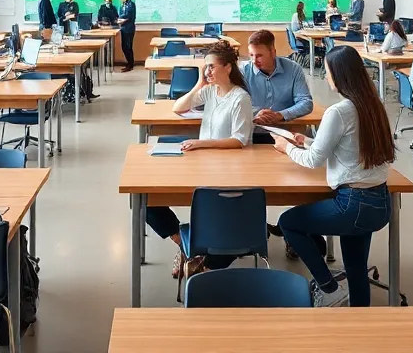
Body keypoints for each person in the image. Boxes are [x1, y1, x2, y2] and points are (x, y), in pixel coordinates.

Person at [273, 45, 395, 307]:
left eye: (328, 71)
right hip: (380, 202)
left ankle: (328, 287)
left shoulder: (338, 112)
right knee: (355, 266)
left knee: (288, 223)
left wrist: (287, 148)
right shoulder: (373, 105)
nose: (326, 76)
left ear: (339, 75)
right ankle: (359, 314)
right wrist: (307, 141)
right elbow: (348, 146)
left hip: (353, 204)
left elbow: (313, 161)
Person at [145, 42, 253, 278]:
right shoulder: (210, 91)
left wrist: (202, 143)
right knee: (147, 201)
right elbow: (178, 108)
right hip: (203, 164)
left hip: (229, 170)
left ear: (228, 67)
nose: (208, 71)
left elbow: (239, 140)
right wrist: (199, 84)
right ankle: (184, 246)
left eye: (212, 67)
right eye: (206, 67)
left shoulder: (240, 98)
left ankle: (203, 258)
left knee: (217, 213)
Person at [242, 30, 313, 135]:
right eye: (251, 55)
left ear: (273, 52)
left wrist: (280, 115)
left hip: (285, 131)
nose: (254, 61)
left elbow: (306, 102)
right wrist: (255, 114)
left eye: (259, 56)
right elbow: (233, 103)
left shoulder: (293, 69)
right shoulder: (243, 71)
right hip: (251, 131)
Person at [117, 0, 137, 72]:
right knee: (124, 47)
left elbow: (129, 16)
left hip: (129, 29)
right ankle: (129, 63)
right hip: (123, 28)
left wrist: (121, 19)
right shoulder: (123, 5)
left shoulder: (131, 4)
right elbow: (120, 15)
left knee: (128, 47)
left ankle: (130, 65)